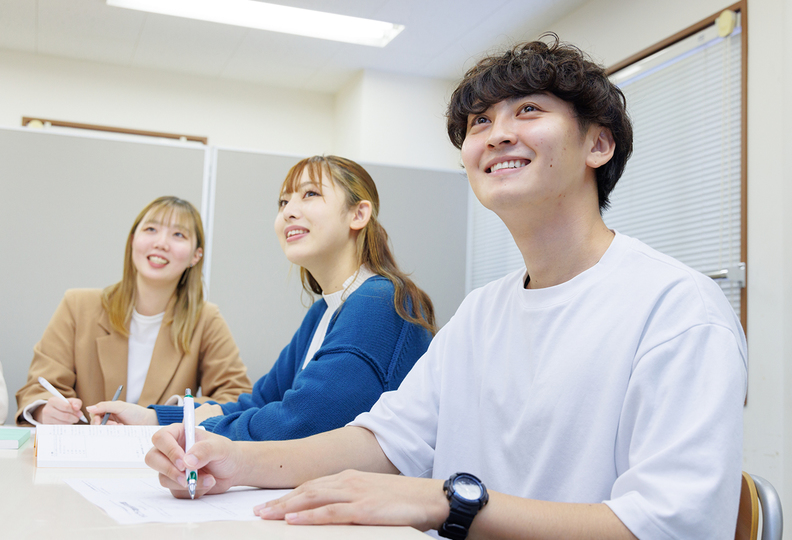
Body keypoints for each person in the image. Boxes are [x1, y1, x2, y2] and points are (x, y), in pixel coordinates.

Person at [145, 36, 747, 540]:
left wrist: (445, 502)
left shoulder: (678, 309)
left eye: (529, 111)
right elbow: (385, 443)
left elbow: (669, 525)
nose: (495, 134)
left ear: (599, 143)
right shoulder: (483, 311)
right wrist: (229, 462)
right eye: (480, 122)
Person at [90, 156, 435, 442]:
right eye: (283, 202)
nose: (288, 212)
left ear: (358, 214)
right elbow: (261, 400)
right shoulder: (323, 312)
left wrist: (197, 428)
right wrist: (153, 419)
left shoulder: (381, 300)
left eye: (310, 194)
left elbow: (302, 421)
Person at [15, 196, 252, 425]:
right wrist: (46, 410)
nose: (161, 243)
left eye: (178, 234)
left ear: (195, 255)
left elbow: (236, 397)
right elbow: (38, 388)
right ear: (132, 240)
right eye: (151, 229)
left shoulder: (206, 319)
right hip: (82, 457)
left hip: (160, 459)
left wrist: (169, 412)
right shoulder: (77, 306)